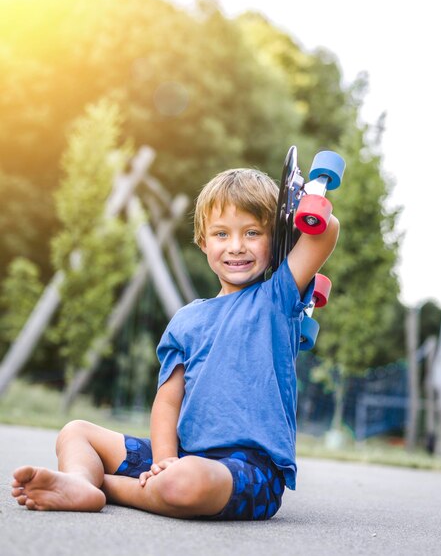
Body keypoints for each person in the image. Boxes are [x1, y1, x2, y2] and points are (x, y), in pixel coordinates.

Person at [11, 167, 339, 520]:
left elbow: (327, 230)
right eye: (221, 234)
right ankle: (79, 482)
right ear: (203, 242)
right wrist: (164, 461)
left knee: (184, 482)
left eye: (253, 232)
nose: (236, 246)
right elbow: (167, 404)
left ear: (276, 240)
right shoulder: (187, 320)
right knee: (76, 432)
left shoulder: (278, 297)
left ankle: (105, 487)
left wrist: (304, 203)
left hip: (249, 470)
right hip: (183, 455)